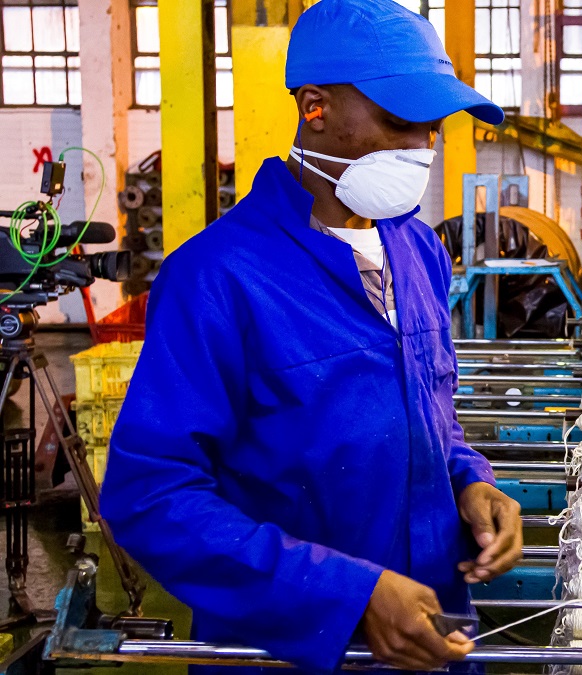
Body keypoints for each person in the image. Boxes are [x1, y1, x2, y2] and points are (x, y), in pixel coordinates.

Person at [100, 1, 522, 672]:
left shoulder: (419, 251)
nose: (422, 148)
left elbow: (431, 414)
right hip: (288, 653)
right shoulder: (217, 276)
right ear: (315, 107)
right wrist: (347, 596)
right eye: (398, 122)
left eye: (432, 127)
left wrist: (470, 480)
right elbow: (150, 496)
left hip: (430, 636)